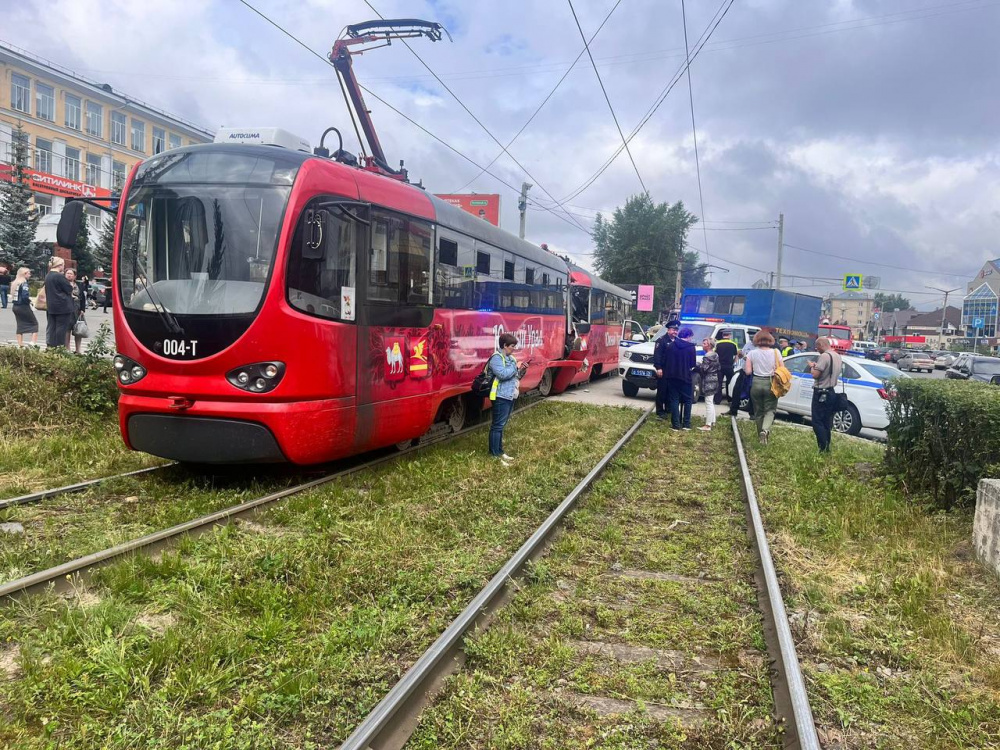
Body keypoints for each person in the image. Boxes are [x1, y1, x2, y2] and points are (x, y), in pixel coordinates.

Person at [487, 332, 528, 463]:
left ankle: (499, 451)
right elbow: (503, 374)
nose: (514, 348)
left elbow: (515, 376)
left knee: (501, 425)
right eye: (512, 346)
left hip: (510, 395)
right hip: (500, 395)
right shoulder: (496, 358)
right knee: (497, 425)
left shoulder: (511, 358)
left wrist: (521, 370)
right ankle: (494, 454)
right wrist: (515, 367)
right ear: (504, 345)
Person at [744, 330, 782, 444]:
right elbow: (781, 369)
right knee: (770, 410)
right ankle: (765, 431)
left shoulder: (752, 353)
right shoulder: (776, 352)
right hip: (770, 383)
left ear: (756, 340)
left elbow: (748, 372)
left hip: (756, 383)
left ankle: (761, 437)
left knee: (758, 411)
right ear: (770, 340)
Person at [809, 336, 843, 452]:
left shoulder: (824, 356)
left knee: (817, 421)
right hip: (831, 391)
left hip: (821, 392)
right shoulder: (837, 356)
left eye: (817, 346)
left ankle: (822, 448)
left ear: (822, 345)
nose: (816, 349)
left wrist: (812, 367)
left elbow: (816, 375)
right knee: (826, 421)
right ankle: (827, 446)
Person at [664, 326, 697, 430]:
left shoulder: (671, 346)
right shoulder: (691, 347)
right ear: (688, 336)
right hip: (685, 377)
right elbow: (692, 364)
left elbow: (666, 361)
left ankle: (676, 425)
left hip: (672, 376)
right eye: (691, 337)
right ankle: (686, 424)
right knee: (688, 400)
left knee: (674, 399)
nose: (691, 339)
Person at [44, 256, 76, 349]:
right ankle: (59, 348)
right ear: (60, 265)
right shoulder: (59, 276)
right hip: (63, 306)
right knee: (61, 328)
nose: (64, 267)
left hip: (51, 305)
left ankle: (50, 346)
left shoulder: (48, 275)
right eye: (63, 265)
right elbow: (69, 289)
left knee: (52, 327)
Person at [653, 319, 680, 419]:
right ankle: (660, 411)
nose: (675, 332)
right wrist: (658, 368)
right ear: (668, 330)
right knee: (662, 391)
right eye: (673, 330)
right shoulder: (661, 340)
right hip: (663, 370)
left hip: (673, 371)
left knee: (670, 391)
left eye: (676, 330)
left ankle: (668, 409)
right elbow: (657, 356)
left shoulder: (677, 341)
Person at [9, 267, 39, 346]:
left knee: (20, 324)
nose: (30, 275)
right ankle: (32, 343)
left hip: (15, 306)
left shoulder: (15, 283)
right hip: (23, 306)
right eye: (29, 273)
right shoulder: (24, 283)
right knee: (34, 324)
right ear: (24, 274)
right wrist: (30, 302)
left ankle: (20, 344)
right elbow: (25, 296)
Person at [698, 337, 720, 431]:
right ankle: (713, 421)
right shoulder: (716, 355)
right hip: (715, 378)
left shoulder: (707, 356)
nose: (703, 345)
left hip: (708, 380)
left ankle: (708, 425)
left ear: (709, 345)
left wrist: (698, 365)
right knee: (711, 401)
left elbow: (704, 369)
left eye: (704, 343)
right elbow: (718, 367)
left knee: (708, 402)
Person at [64, 267, 87, 354]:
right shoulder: (63, 284)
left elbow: (83, 298)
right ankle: (67, 348)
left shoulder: (79, 285)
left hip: (77, 309)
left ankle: (78, 350)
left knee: (78, 329)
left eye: (71, 274)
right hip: (66, 309)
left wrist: (82, 309)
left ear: (74, 276)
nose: (69, 275)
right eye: (67, 273)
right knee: (67, 329)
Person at [714, 329, 738, 404]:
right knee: (730, 382)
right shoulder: (734, 344)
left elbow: (715, 355)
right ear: (729, 335)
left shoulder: (717, 344)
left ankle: (717, 400)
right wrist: (733, 363)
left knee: (719, 383)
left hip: (720, 366)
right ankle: (729, 399)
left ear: (723, 335)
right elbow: (736, 356)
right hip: (729, 366)